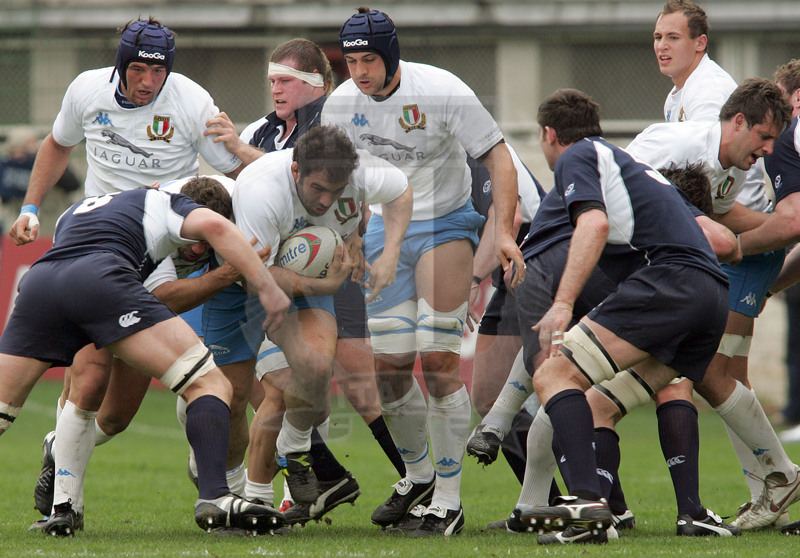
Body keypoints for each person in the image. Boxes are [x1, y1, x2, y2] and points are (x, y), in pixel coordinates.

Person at [20, 17, 263, 528]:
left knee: (116, 415)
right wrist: (30, 208)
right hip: (96, 242)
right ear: (120, 64)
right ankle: (68, 507)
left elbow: (239, 172)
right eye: (138, 68)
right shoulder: (86, 90)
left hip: (161, 245)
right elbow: (55, 145)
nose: (148, 80)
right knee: (88, 375)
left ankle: (56, 445)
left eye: (158, 70)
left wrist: (243, 151)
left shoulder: (193, 102)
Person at [321, 7, 524, 537]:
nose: (359, 71)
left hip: (444, 226)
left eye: (369, 60)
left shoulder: (440, 89)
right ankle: (419, 478)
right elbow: (338, 182)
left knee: (436, 360)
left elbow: (499, 157)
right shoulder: (340, 103)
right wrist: (348, 238)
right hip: (383, 236)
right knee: (389, 369)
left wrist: (502, 232)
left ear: (390, 56)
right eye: (351, 60)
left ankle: (450, 503)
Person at [0, 186, 290, 537]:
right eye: (195, 239)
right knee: (209, 383)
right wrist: (265, 284)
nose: (199, 249)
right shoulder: (172, 206)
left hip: (40, 285)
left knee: (14, 410)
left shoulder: (79, 210)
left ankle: (65, 508)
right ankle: (215, 496)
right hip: (104, 284)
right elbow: (213, 231)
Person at [518, 88, 730, 545]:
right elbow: (722, 240)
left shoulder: (578, 156)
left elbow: (591, 225)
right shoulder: (630, 165)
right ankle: (675, 511)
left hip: (673, 281)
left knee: (554, 376)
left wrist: (561, 302)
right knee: (598, 403)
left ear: (548, 135)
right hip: (713, 295)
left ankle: (587, 512)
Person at [215, 39, 407, 518]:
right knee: (274, 391)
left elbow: (400, 192)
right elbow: (257, 274)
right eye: (317, 189)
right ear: (296, 170)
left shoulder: (357, 174)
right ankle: (252, 496)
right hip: (257, 285)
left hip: (312, 280)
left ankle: (295, 454)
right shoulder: (262, 191)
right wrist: (323, 284)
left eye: (335, 191)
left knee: (316, 378)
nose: (324, 200)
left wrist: (371, 245)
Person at [626, 78, 800, 531]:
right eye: (763, 137)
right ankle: (775, 490)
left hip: (731, 260)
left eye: (672, 37)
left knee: (705, 371)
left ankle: (778, 479)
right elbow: (617, 180)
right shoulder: (681, 135)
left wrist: (752, 244)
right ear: (739, 121)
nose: (766, 149)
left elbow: (729, 222)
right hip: (695, 261)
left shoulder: (729, 124)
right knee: (718, 374)